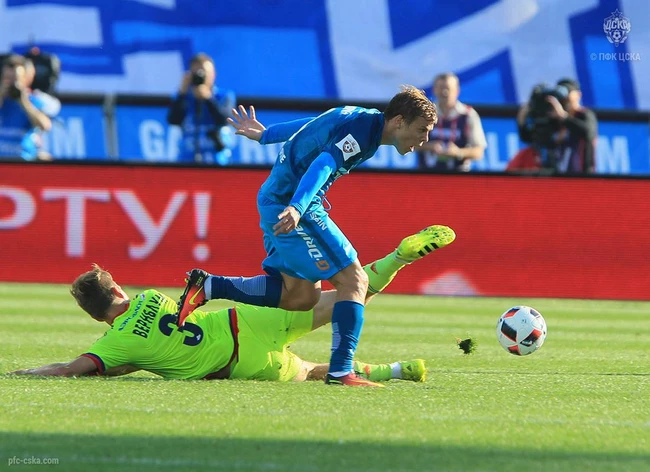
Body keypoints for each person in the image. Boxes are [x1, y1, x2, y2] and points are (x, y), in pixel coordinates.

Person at [177, 86, 454, 387]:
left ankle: (209, 285)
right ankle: (340, 370)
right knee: (355, 281)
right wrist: (298, 207)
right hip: (294, 205)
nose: (425, 139)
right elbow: (323, 163)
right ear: (399, 121)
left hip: (276, 201)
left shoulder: (362, 118)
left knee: (301, 297)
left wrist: (267, 135)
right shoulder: (363, 133)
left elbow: (313, 124)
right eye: (422, 130)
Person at [8, 228, 453, 384]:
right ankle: (396, 259)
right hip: (246, 319)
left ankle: (397, 370)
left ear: (92, 315)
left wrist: (23, 373)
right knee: (347, 295)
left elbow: (71, 370)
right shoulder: (150, 297)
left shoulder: (115, 345)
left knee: (306, 371)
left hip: (240, 361)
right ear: (119, 289)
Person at [507, 78, 597, 173]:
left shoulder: (584, 115)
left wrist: (563, 117)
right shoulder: (554, 118)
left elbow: (588, 133)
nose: (565, 98)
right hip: (558, 174)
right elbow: (532, 138)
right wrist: (522, 121)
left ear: (578, 95)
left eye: (568, 92)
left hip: (582, 175)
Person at [166, 53, 236, 165]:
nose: (200, 76)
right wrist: (182, 93)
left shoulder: (224, 96)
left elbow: (225, 120)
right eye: (196, 73)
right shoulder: (183, 97)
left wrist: (208, 98)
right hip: (188, 159)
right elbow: (173, 120)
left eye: (204, 73)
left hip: (217, 159)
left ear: (213, 74)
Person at [417, 73, 487, 172]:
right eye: (441, 88)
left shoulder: (468, 114)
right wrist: (430, 147)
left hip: (458, 176)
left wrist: (458, 152)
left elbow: (479, 151)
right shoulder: (424, 113)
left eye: (448, 88)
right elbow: (409, 143)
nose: (444, 92)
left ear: (457, 91)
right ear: (434, 90)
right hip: (426, 175)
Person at [0, 55, 52, 160]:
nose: (11, 84)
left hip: (23, 161)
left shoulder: (33, 101)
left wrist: (23, 101)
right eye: (7, 79)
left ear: (24, 79)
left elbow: (45, 126)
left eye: (15, 79)